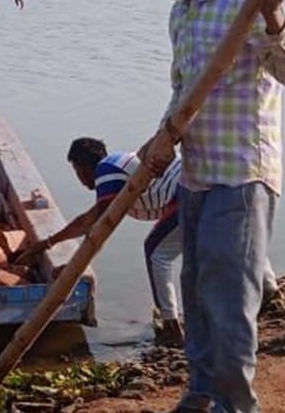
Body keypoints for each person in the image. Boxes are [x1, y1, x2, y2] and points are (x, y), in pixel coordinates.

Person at [136, 0, 285, 413]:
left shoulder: (245, 2)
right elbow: (183, 90)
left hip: (243, 174)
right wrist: (160, 140)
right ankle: (201, 398)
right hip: (197, 172)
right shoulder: (180, 13)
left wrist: (275, 16)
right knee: (196, 291)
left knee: (230, 298)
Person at [17, 138, 187, 348]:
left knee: (155, 253)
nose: (80, 179)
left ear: (82, 168)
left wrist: (72, 267)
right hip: (198, 186)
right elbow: (91, 221)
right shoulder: (118, 167)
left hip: (185, 193)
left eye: (77, 172)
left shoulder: (107, 170)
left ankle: (171, 327)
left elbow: (98, 227)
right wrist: (47, 243)